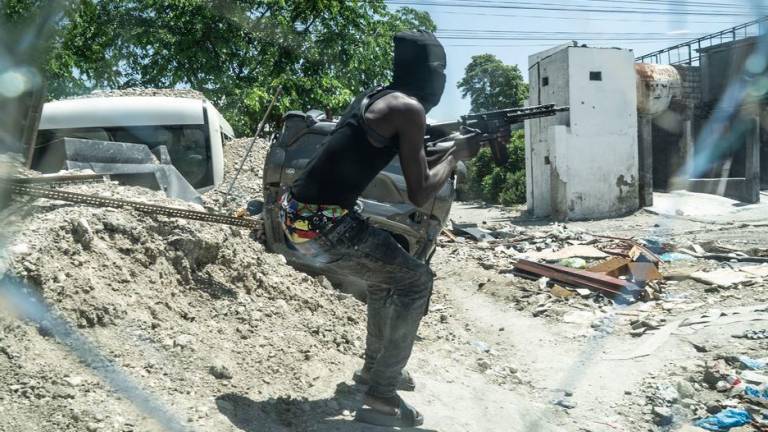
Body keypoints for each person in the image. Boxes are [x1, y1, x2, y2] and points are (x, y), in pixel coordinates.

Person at [279, 30, 480, 428]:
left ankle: (374, 371)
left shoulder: (378, 96)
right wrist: (457, 153)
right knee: (416, 281)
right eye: (440, 73)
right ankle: (382, 396)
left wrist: (453, 145)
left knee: (386, 276)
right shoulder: (410, 110)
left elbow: (415, 157)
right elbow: (420, 192)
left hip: (299, 213)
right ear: (431, 74)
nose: (442, 82)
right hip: (322, 223)